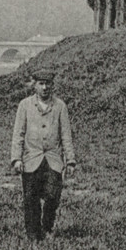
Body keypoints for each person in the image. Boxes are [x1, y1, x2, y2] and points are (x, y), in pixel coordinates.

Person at [10, 70, 77, 240]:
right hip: (31, 159)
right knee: (30, 198)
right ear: (34, 85)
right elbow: (18, 133)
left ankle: (47, 226)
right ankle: (33, 234)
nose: (45, 87)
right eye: (41, 83)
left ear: (53, 85)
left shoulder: (60, 106)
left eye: (48, 84)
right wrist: (16, 158)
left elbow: (66, 135)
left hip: (53, 159)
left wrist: (70, 160)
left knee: (53, 195)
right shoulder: (24, 105)